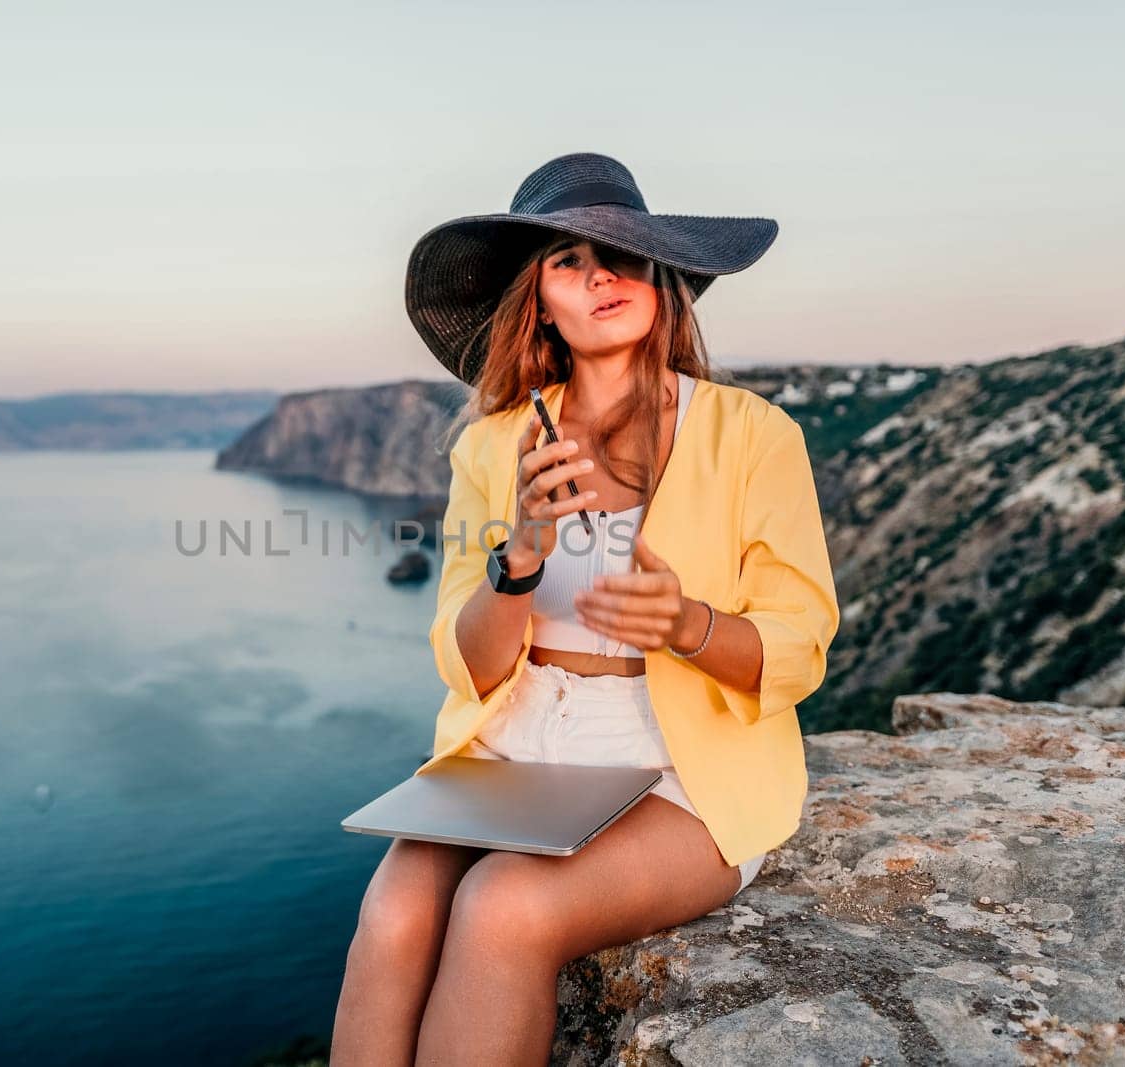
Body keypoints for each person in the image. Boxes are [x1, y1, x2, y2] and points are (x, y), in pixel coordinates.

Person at [332, 152, 840, 1065]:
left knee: (503, 907)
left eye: (623, 254)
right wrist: (518, 556)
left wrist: (687, 624)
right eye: (568, 259)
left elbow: (800, 647)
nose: (601, 274)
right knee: (395, 906)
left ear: (664, 280)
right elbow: (469, 662)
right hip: (514, 740)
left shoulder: (754, 433)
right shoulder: (493, 449)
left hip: (678, 763)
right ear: (541, 303)